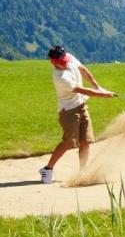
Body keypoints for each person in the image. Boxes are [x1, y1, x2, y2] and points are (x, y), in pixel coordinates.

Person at [39, 45, 116, 184]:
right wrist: (103, 94)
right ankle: (47, 168)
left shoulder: (69, 59)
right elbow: (82, 90)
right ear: (53, 61)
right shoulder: (60, 77)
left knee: (86, 141)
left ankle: (82, 173)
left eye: (65, 57)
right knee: (69, 142)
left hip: (82, 106)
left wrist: (98, 87)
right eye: (62, 60)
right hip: (68, 111)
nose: (66, 61)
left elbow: (84, 70)